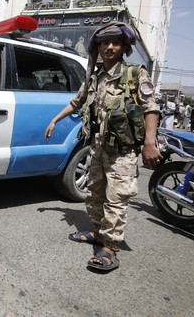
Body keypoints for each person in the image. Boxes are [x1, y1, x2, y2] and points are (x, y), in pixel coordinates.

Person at [44, 21, 161, 272]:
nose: (109, 47)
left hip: (123, 151)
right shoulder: (95, 77)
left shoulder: (135, 74)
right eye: (104, 42)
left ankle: (110, 248)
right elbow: (77, 102)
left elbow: (150, 108)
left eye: (115, 42)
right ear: (97, 47)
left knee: (116, 198)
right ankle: (97, 233)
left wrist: (149, 142)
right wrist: (55, 119)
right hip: (97, 147)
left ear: (123, 47)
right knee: (95, 193)